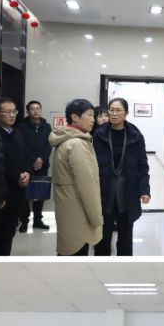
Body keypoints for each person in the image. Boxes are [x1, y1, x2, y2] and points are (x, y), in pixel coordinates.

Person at [93, 97, 151, 256]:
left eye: (118, 110)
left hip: (127, 193)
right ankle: (101, 264)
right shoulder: (99, 135)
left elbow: (142, 166)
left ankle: (125, 265)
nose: (113, 114)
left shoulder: (135, 136)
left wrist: (144, 190)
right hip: (104, 192)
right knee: (102, 236)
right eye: (111, 110)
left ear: (126, 113)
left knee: (125, 236)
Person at [50, 98, 103, 256]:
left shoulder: (67, 139)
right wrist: (97, 219)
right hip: (78, 211)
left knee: (69, 251)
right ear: (74, 117)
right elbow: (87, 186)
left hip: (69, 208)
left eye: (94, 116)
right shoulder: (76, 144)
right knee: (76, 253)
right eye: (89, 115)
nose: (93, 120)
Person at [0, 97, 32, 255]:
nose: (12, 115)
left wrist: (27, 172)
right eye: (7, 112)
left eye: (14, 111)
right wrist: (17, 176)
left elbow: (26, 156)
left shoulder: (18, 132)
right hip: (0, 197)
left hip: (17, 195)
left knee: (8, 238)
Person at [17, 100, 52, 232]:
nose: (36, 111)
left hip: (43, 165)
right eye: (32, 109)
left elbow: (49, 145)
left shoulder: (46, 126)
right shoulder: (21, 127)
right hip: (26, 165)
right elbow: (22, 145)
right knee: (25, 194)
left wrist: (41, 159)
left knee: (40, 193)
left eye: (38, 108)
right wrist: (34, 159)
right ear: (28, 111)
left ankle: (38, 220)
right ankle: (24, 221)